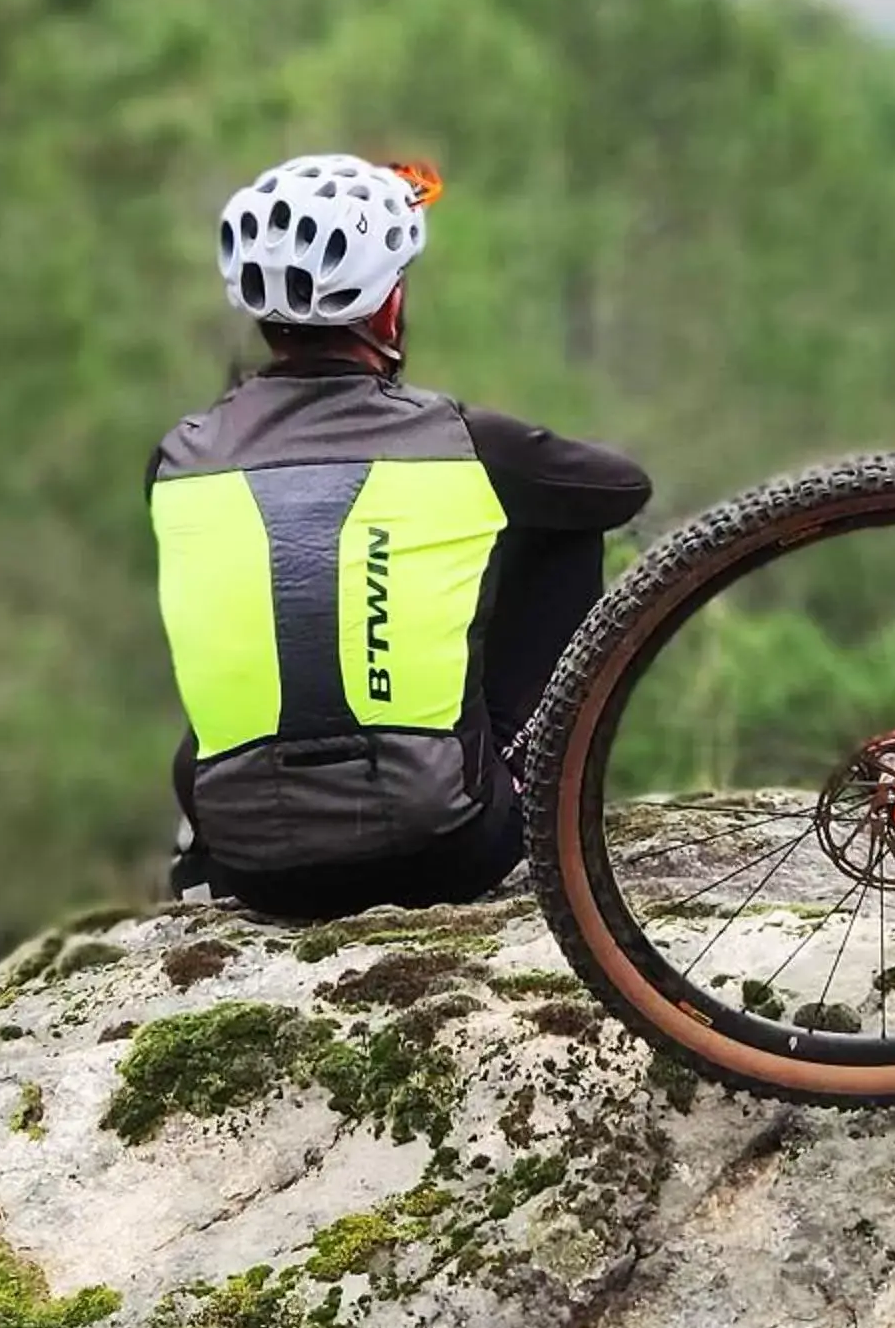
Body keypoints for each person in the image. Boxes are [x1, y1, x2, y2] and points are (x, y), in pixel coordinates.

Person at [147, 154, 649, 920]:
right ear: (388, 308)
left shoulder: (181, 457)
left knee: (253, 592)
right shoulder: (461, 439)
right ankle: (531, 780)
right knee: (563, 532)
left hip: (255, 871)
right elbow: (622, 488)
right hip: (448, 852)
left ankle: (198, 842)